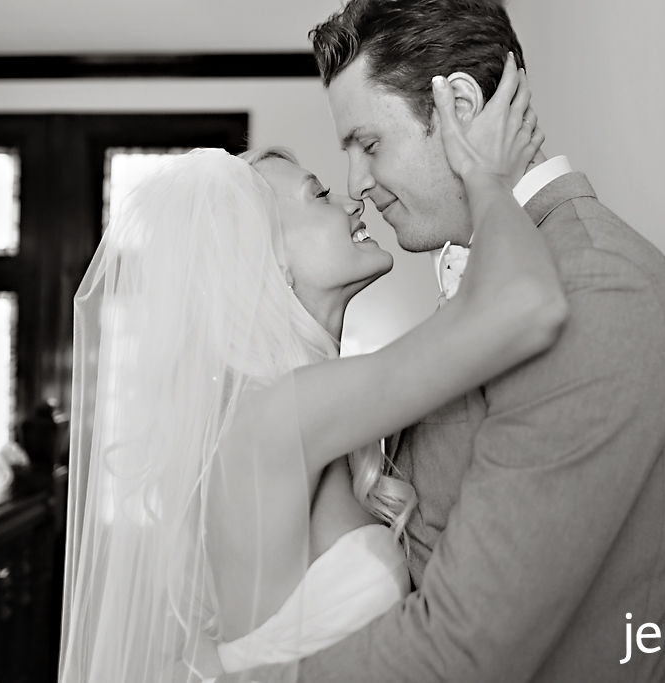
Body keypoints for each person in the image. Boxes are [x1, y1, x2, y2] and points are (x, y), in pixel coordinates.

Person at [58, 61, 563, 682]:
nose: (353, 198)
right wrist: (485, 176)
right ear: (265, 258)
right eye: (318, 195)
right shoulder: (278, 413)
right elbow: (528, 305)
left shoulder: (287, 409)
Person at [299, 1, 665, 681]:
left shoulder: (595, 290)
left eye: (369, 145)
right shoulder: (510, 272)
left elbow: (465, 649)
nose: (357, 186)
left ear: (460, 107)